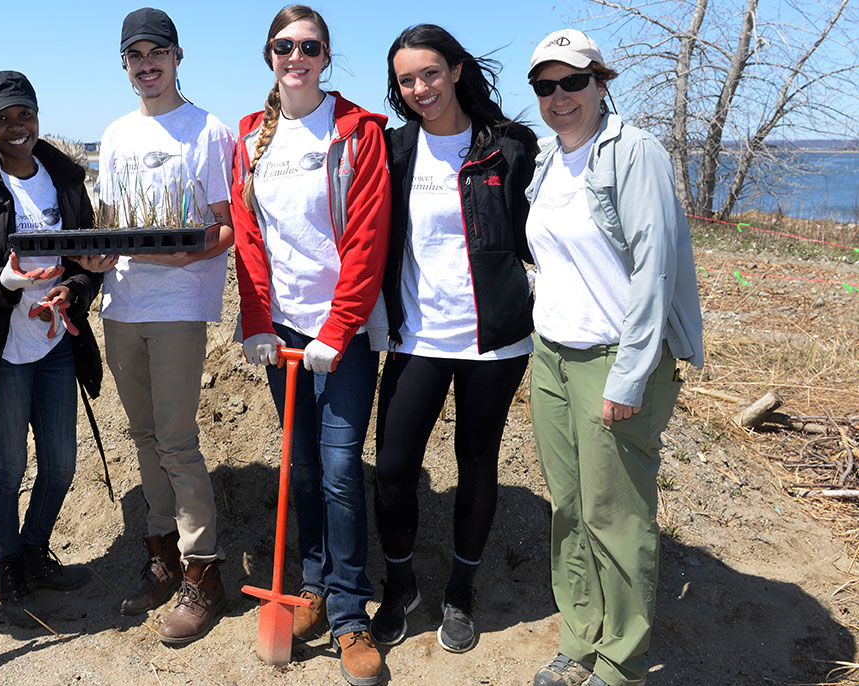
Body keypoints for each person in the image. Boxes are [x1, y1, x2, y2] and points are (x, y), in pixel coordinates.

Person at [524, 29, 704, 686]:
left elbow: (655, 271)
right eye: (546, 86)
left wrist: (629, 374)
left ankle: (621, 662)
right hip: (553, 358)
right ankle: (580, 636)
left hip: (616, 359)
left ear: (602, 82)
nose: (560, 96)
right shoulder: (548, 159)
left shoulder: (635, 153)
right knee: (570, 508)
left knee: (616, 515)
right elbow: (553, 258)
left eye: (573, 81)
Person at [231, 5, 391, 685]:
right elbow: (248, 238)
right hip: (284, 332)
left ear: (327, 57)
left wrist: (339, 328)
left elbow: (368, 238)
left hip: (343, 331)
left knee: (339, 467)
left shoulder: (357, 132)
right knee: (298, 470)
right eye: (283, 45)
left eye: (310, 46)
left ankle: (352, 614)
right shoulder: (250, 138)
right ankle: (314, 587)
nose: (295, 56)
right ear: (269, 55)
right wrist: (257, 320)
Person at [370, 24, 538, 654]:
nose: (420, 89)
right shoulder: (393, 150)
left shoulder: (510, 148)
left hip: (492, 341)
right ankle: (401, 583)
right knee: (392, 469)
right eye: (407, 80)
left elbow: (542, 231)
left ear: (457, 71)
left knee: (476, 464)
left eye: (430, 74)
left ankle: (460, 592)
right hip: (416, 336)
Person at [77, 7, 236, 645]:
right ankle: (162, 554)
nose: (147, 66)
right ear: (125, 66)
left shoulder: (208, 130)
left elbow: (225, 227)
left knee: (175, 439)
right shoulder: (114, 134)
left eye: (156, 54)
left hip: (177, 307)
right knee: (143, 435)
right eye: (134, 57)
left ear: (177, 57)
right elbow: (111, 224)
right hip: (123, 307)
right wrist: (92, 257)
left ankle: (203, 572)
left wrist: (183, 253)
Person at [0, 71, 102, 628]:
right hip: (4, 351)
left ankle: (34, 550)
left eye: (24, 115)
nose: (16, 128)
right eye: (1, 119)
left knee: (60, 464)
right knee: (8, 468)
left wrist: (72, 291)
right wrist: (6, 284)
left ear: (38, 114)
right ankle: (8, 568)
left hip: (55, 344)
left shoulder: (65, 179)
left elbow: (85, 263)